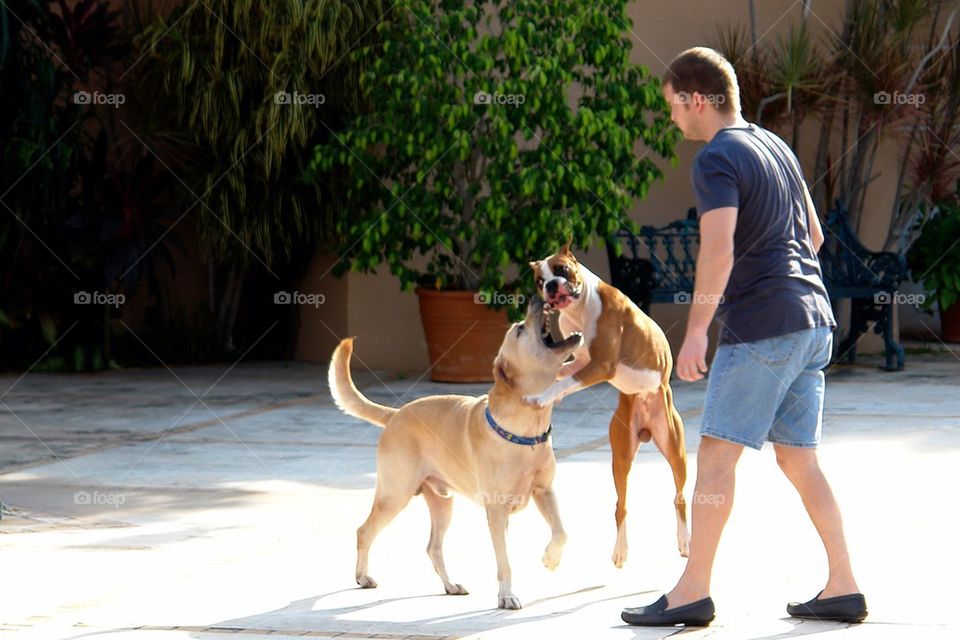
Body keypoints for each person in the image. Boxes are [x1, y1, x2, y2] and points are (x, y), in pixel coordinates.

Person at [620, 47, 867, 627]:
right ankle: (843, 585)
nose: (673, 119)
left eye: (674, 107)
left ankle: (691, 592)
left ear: (696, 99)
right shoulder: (773, 145)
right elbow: (814, 235)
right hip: (813, 319)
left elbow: (719, 247)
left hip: (764, 327)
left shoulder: (717, 157)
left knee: (715, 460)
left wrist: (697, 331)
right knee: (801, 462)